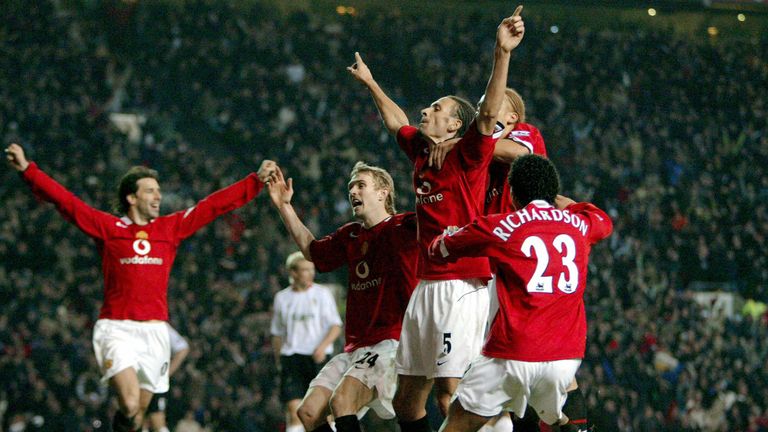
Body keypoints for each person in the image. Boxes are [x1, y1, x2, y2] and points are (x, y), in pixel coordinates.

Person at [4, 143, 276, 432]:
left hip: (156, 332)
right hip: (116, 328)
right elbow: (68, 203)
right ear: (132, 197)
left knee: (137, 417)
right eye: (150, 191)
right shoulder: (109, 228)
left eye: (158, 191)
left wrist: (255, 181)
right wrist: (27, 170)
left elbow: (213, 206)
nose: (158, 196)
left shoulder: (170, 228)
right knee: (131, 403)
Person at [348, 7, 526, 431]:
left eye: (436, 108)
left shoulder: (469, 152)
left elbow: (486, 118)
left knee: (451, 389)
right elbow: (396, 121)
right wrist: (371, 83)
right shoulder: (422, 151)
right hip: (427, 284)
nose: (425, 112)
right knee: (408, 396)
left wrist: (502, 52)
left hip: (463, 284)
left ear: (455, 123)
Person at [427, 154, 613, 431]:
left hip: (512, 355)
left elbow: (439, 251)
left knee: (458, 420)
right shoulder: (581, 224)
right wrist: (555, 199)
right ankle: (564, 423)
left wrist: (445, 237)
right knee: (552, 414)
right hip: (565, 359)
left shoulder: (500, 226)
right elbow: (602, 220)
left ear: (512, 193)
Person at [267, 161, 419, 432]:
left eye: (361, 185)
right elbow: (313, 252)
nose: (353, 191)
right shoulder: (350, 234)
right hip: (355, 348)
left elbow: (441, 217)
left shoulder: (404, 226)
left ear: (383, 193)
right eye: (351, 186)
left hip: (391, 343)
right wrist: (284, 207)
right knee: (308, 413)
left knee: (342, 402)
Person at [270, 251, 343, 432]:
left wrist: (323, 347)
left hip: (317, 358)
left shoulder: (322, 294)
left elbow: (335, 326)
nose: (311, 273)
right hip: (292, 357)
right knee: (293, 410)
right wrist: (279, 360)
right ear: (293, 273)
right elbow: (277, 333)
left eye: (312, 269)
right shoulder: (282, 298)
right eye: (305, 270)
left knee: (322, 411)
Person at [143, 323, 190, 432]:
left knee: (156, 419)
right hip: (135, 381)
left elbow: (182, 348)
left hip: (152, 382)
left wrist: (165, 374)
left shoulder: (159, 326)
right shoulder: (127, 324)